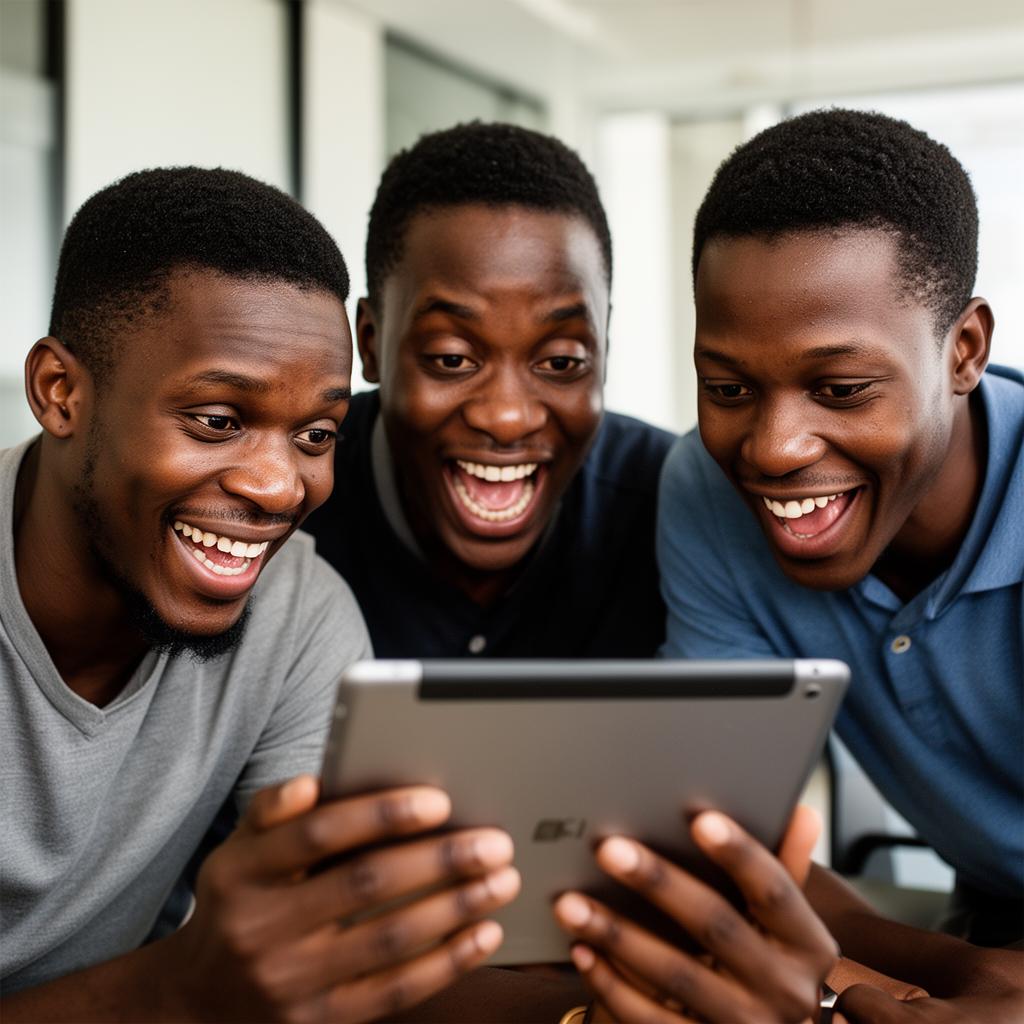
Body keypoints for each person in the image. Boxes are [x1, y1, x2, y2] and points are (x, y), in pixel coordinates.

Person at [0, 167, 523, 1022]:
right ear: (62, 392)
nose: (281, 488)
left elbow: (363, 953)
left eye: (316, 433)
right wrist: (176, 989)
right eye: (217, 420)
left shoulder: (298, 614)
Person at [602, 108, 1022, 1019]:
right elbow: (718, 838)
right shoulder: (706, 495)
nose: (775, 447)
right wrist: (937, 977)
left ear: (965, 350)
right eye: (728, 389)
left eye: (841, 389)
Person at [303, 122, 673, 658]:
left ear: (605, 347)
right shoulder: (291, 503)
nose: (507, 418)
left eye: (561, 361)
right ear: (371, 343)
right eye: (452, 359)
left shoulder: (676, 506)